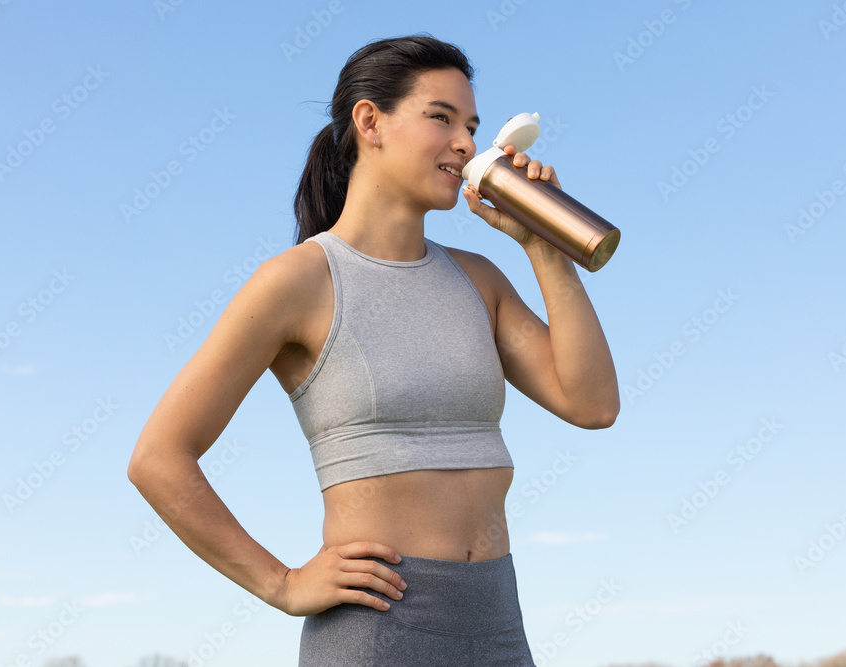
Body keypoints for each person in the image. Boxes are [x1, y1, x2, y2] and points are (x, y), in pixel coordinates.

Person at [127, 33, 619, 666]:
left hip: (497, 622)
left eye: (470, 125)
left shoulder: (480, 280)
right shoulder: (298, 281)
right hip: (380, 629)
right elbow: (158, 458)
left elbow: (593, 404)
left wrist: (545, 246)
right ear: (370, 122)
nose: (467, 143)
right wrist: (280, 583)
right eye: (440, 118)